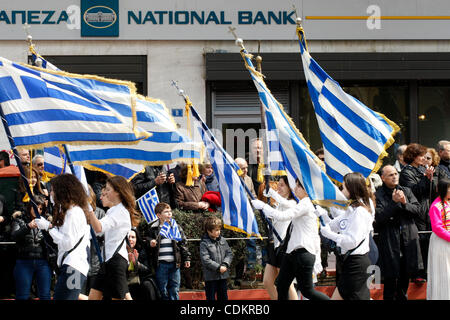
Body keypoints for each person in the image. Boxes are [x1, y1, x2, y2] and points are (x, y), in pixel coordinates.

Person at [252, 179, 329, 301]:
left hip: (303, 252)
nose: (296, 187)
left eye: (299, 186)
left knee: (307, 291)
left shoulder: (306, 203)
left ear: (307, 190)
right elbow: (285, 203)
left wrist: (263, 206)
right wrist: (272, 194)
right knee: (281, 285)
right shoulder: (302, 203)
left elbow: (283, 216)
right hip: (291, 252)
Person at [33, 173, 91, 300]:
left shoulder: (73, 213)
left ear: (62, 191)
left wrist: (49, 227)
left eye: (53, 190)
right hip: (70, 266)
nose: (51, 193)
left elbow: (67, 243)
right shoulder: (70, 211)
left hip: (74, 268)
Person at [318, 172, 374, 300]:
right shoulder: (350, 210)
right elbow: (332, 225)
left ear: (351, 189)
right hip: (348, 263)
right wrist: (322, 215)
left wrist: (331, 235)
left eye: (343, 187)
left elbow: (351, 241)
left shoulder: (360, 211)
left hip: (356, 264)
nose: (341, 190)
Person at [374, 165, 423, 300]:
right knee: (390, 279)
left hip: (407, 239)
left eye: (396, 173)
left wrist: (404, 203)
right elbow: (379, 218)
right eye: (390, 175)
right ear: (383, 178)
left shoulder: (406, 190)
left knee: (405, 277)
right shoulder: (378, 194)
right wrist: (394, 203)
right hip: (390, 240)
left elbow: (418, 211)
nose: (395, 176)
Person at [88, 175, 140, 300]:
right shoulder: (113, 211)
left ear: (117, 192)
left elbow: (99, 227)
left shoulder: (120, 211)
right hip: (108, 261)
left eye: (108, 189)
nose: (105, 192)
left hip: (116, 261)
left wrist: (89, 210)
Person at [399, 143, 435, 283]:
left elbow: (430, 189)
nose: (423, 158)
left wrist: (430, 178)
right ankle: (418, 273)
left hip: (427, 209)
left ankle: (428, 270)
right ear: (413, 157)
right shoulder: (406, 172)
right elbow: (413, 192)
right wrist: (426, 178)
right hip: (416, 211)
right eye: (420, 155)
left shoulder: (421, 170)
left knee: (428, 241)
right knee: (419, 243)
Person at [258, 176, 298, 300]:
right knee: (267, 282)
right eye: (278, 184)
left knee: (287, 283)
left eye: (282, 185)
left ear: (289, 188)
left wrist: (273, 194)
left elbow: (286, 206)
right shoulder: (279, 203)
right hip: (275, 247)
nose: (278, 187)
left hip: (284, 247)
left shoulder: (293, 203)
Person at [144, 202, 191, 300]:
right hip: (161, 264)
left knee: (174, 288)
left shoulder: (176, 227)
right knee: (162, 289)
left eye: (170, 211)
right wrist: (150, 242)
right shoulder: (153, 229)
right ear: (158, 215)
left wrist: (187, 258)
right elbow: (147, 240)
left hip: (175, 264)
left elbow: (183, 243)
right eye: (166, 212)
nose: (169, 213)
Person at [10, 194, 52, 300]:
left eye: (41, 208)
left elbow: (53, 241)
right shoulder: (19, 219)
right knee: (22, 295)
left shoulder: (46, 221)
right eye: (35, 207)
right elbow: (14, 236)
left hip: (42, 261)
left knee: (45, 295)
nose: (37, 210)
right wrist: (28, 227)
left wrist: (48, 228)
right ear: (30, 206)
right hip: (24, 260)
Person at [79, 185, 106, 300]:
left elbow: (104, 234)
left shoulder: (100, 213)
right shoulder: (76, 214)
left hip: (96, 263)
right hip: (78, 265)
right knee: (76, 294)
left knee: (95, 296)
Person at [199, 216, 233, 301]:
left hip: (223, 276)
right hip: (210, 277)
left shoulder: (223, 240)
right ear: (209, 231)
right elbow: (205, 259)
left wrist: (225, 264)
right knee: (211, 297)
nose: (219, 232)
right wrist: (218, 267)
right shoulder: (204, 243)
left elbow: (229, 254)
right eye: (216, 230)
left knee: (223, 297)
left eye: (219, 229)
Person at [427, 178, 450, 300]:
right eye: (448, 188)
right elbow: (437, 228)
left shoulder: (448, 203)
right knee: (443, 272)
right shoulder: (436, 206)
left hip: (447, 241)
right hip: (441, 242)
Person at [126, 228, 160, 300]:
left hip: (140, 281)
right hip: (125, 282)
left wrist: (137, 264)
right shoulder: (120, 252)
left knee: (147, 285)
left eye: (133, 237)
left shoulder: (142, 251)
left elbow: (148, 270)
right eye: (128, 237)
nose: (130, 239)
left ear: (137, 239)